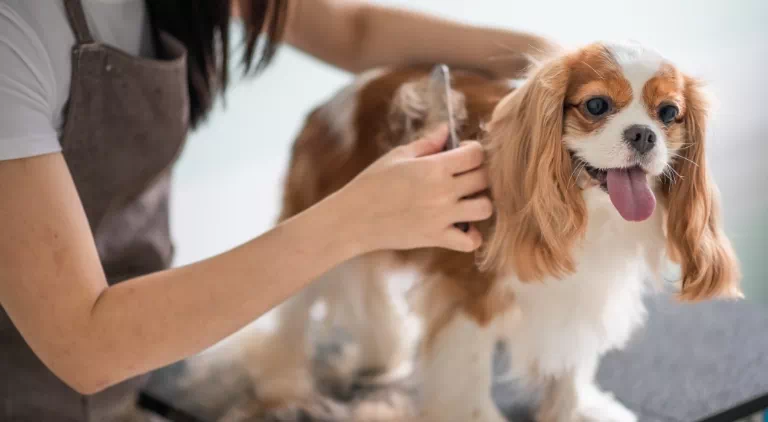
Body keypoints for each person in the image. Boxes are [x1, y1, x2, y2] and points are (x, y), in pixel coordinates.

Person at [0, 0, 554, 420]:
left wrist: (546, 62)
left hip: (143, 360)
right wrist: (357, 219)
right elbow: (85, 344)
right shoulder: (15, 36)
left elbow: (349, 30)